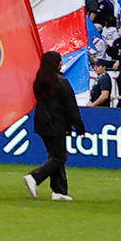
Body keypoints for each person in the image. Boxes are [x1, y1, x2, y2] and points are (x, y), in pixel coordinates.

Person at [25, 50, 82, 201]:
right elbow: (70, 106)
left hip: (42, 122)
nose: (62, 63)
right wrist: (79, 126)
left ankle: (59, 190)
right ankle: (35, 177)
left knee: (55, 155)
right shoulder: (60, 81)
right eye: (60, 60)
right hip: (55, 122)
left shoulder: (40, 80)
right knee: (59, 157)